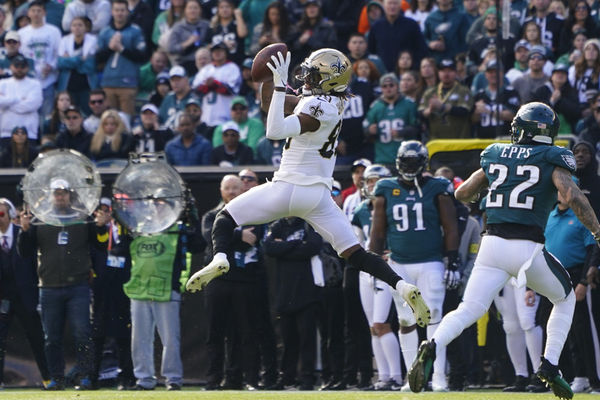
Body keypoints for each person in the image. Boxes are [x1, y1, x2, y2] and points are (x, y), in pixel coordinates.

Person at [185, 48, 431, 333]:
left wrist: (278, 83)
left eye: (313, 75)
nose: (306, 78)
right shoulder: (330, 102)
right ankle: (402, 286)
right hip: (318, 197)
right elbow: (271, 104)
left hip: (288, 186)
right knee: (356, 253)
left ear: (328, 81)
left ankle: (221, 258)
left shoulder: (319, 107)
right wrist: (268, 79)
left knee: (225, 218)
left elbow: (274, 131)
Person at [407, 102, 600, 400]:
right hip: (526, 247)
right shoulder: (552, 155)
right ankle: (549, 366)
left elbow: (462, 193)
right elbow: (570, 193)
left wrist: (494, 188)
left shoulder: (497, 152)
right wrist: (598, 231)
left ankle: (432, 344)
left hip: (491, 245)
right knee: (563, 298)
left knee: (469, 308)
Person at [370, 140, 460, 392]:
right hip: (399, 264)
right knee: (405, 319)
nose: (410, 166)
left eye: (414, 161)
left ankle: (439, 375)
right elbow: (377, 233)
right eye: (406, 161)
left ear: (423, 163)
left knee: (434, 317)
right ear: (399, 162)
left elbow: (451, 227)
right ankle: (413, 378)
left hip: (431, 261)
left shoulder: (437, 187)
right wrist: (374, 266)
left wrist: (452, 260)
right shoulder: (385, 188)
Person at [18, 179, 110, 390]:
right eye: (56, 193)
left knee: (82, 332)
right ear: (50, 195)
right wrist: (24, 230)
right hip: (48, 287)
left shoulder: (82, 216)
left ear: (70, 194)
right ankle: (56, 378)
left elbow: (101, 245)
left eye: (63, 193)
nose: (60, 197)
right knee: (51, 337)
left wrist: (100, 226)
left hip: (78, 286)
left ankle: (85, 376)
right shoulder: (40, 218)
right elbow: (24, 252)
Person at [123, 194, 203, 391]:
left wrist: (192, 218)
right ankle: (144, 379)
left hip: (167, 289)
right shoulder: (139, 229)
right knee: (139, 339)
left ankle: (173, 379)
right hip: (140, 289)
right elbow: (121, 248)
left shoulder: (180, 229)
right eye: (155, 204)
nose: (157, 208)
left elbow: (198, 244)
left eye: (162, 204)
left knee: (170, 339)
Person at [351, 164, 405, 390]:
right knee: (373, 326)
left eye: (376, 180)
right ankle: (383, 377)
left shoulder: (395, 204)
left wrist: (393, 253)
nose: (372, 185)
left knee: (381, 323)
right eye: (369, 181)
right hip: (366, 271)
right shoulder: (362, 209)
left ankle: (396, 377)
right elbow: (357, 239)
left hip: (385, 268)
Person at [0, 198, 49, 388]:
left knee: (37, 338)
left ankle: (48, 378)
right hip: (2, 298)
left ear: (11, 215)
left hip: (26, 297)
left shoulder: (24, 233)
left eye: (2, 213)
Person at [96, 0, 147, 118]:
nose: (120, 13)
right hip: (108, 82)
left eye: (122, 10)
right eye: (117, 10)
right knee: (109, 120)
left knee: (126, 120)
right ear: (112, 12)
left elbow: (141, 56)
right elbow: (97, 58)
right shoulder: (105, 32)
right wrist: (110, 48)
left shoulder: (135, 31)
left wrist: (121, 49)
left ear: (128, 12)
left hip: (128, 83)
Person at [17, 0, 61, 117]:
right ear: (28, 13)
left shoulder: (54, 31)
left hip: (48, 80)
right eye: (33, 11)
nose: (36, 14)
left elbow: (59, 54)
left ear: (44, 13)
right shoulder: (21, 33)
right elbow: (19, 56)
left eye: (39, 11)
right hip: (29, 80)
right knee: (29, 115)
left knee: (47, 116)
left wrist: (51, 66)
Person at [364, 73, 419, 165]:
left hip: (406, 158)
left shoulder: (409, 104)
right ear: (381, 88)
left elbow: (417, 128)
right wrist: (369, 131)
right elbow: (365, 129)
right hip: (383, 158)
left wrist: (401, 132)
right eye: (384, 86)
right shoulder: (375, 107)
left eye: (391, 85)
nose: (388, 88)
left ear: (397, 86)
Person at [0, 54, 42, 145]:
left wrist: (7, 104)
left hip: (29, 132)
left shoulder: (35, 84)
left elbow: (32, 105)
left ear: (27, 68)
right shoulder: (3, 83)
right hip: (6, 131)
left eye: (22, 66)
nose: (19, 69)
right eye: (16, 66)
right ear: (11, 67)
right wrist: (18, 99)